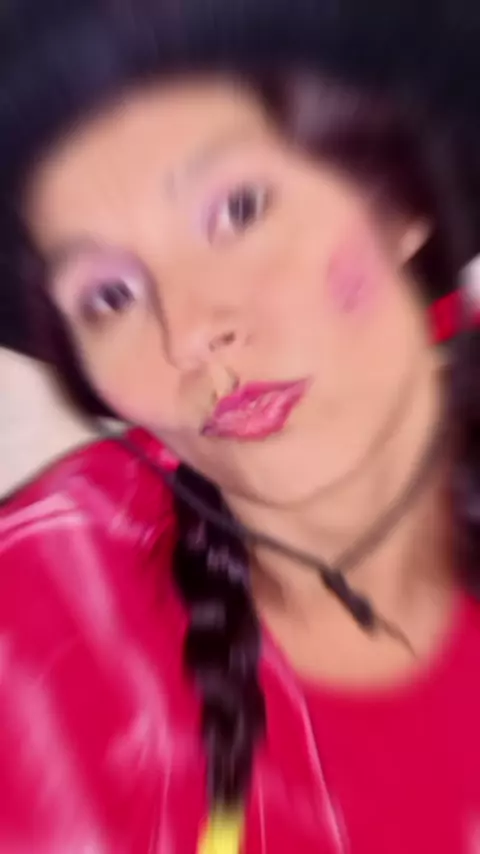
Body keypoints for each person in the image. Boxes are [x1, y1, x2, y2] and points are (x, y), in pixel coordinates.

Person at [1, 1, 480, 852]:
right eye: (109, 296)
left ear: (401, 200)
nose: (189, 333)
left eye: (240, 210)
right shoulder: (46, 617)